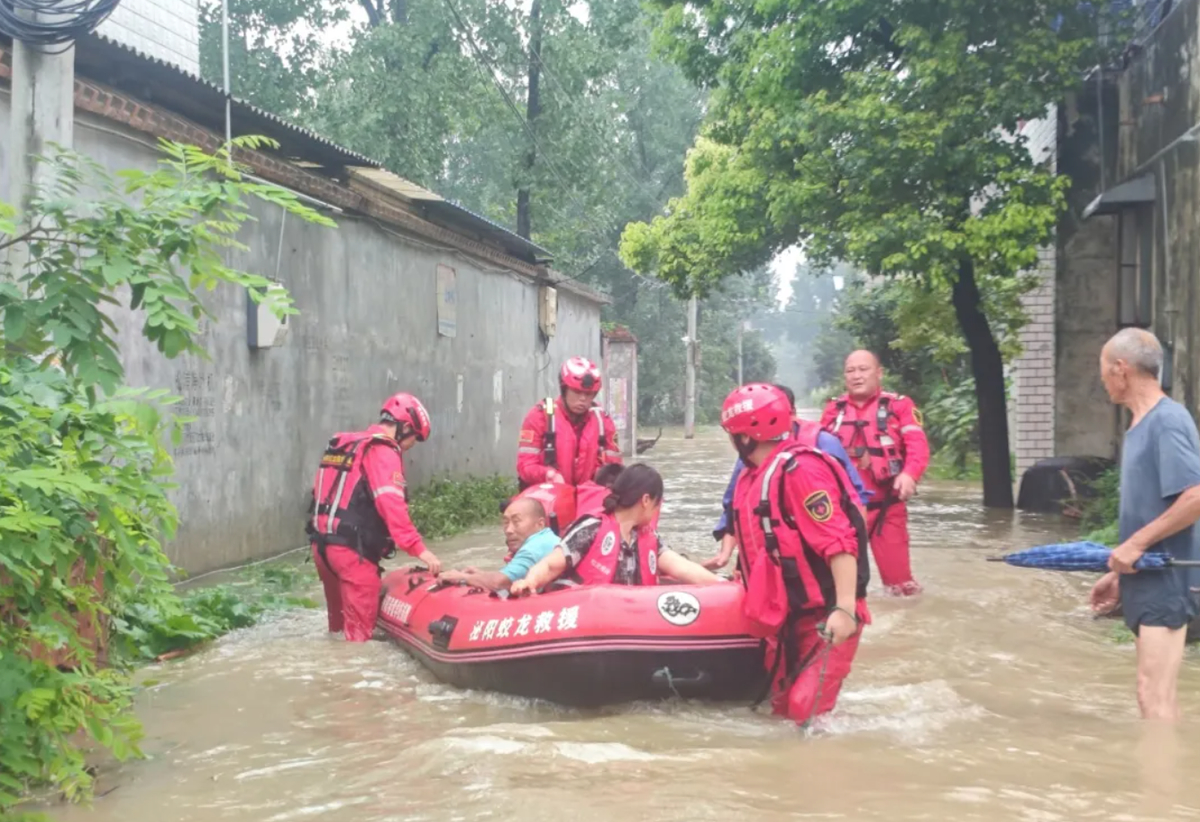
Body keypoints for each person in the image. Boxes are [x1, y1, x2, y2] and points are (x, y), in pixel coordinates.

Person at [721, 383, 870, 725]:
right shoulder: (751, 475)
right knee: (781, 710)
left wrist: (845, 609)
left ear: (744, 437)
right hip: (785, 616)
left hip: (824, 612)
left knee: (806, 710)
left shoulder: (801, 470)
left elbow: (839, 542)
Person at [1088, 328, 1200, 721]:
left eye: (1103, 369)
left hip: (1168, 578)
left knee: (1152, 695)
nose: (1101, 379)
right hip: (1145, 576)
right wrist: (1121, 574)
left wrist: (1135, 545)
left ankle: (1161, 782)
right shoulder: (1140, 427)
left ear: (1121, 368)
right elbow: (1147, 509)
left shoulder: (1168, 420)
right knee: (1155, 695)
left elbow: (1195, 497)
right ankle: (1164, 776)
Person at [306, 392, 441, 642]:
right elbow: (391, 505)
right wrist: (419, 549)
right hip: (353, 554)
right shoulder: (382, 450)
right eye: (414, 438)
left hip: (322, 547)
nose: (411, 446)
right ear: (406, 427)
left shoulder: (347, 444)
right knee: (359, 639)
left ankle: (330, 678)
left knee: (337, 629)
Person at [707, 384, 869, 570]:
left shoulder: (808, 462)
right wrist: (727, 554)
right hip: (771, 563)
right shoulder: (748, 465)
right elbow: (734, 509)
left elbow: (850, 513)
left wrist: (847, 588)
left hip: (808, 569)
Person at [510, 464, 722, 595]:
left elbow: (682, 568)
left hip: (629, 622)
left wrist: (723, 585)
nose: (658, 510)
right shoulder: (591, 528)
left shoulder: (649, 538)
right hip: (585, 619)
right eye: (658, 503)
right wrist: (530, 581)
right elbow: (550, 565)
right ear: (646, 500)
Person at [820, 350, 929, 596]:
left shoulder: (900, 405)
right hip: (843, 512)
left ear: (878, 373)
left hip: (887, 509)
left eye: (863, 369)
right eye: (850, 370)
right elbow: (815, 455)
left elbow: (917, 445)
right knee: (838, 587)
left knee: (902, 589)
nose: (856, 376)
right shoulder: (833, 411)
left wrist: (910, 474)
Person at [516, 357, 622, 489]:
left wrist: (604, 477)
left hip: (589, 496)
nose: (582, 399)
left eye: (588, 394)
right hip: (549, 494)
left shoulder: (603, 421)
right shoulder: (539, 416)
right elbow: (525, 465)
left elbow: (614, 468)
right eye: (577, 392)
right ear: (564, 389)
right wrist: (548, 474)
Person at [437, 497, 560, 593]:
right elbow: (506, 577)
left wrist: (462, 577)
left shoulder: (535, 547)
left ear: (540, 524)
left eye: (516, 521)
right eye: (506, 522)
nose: (509, 530)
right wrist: (481, 575)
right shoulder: (548, 539)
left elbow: (500, 583)